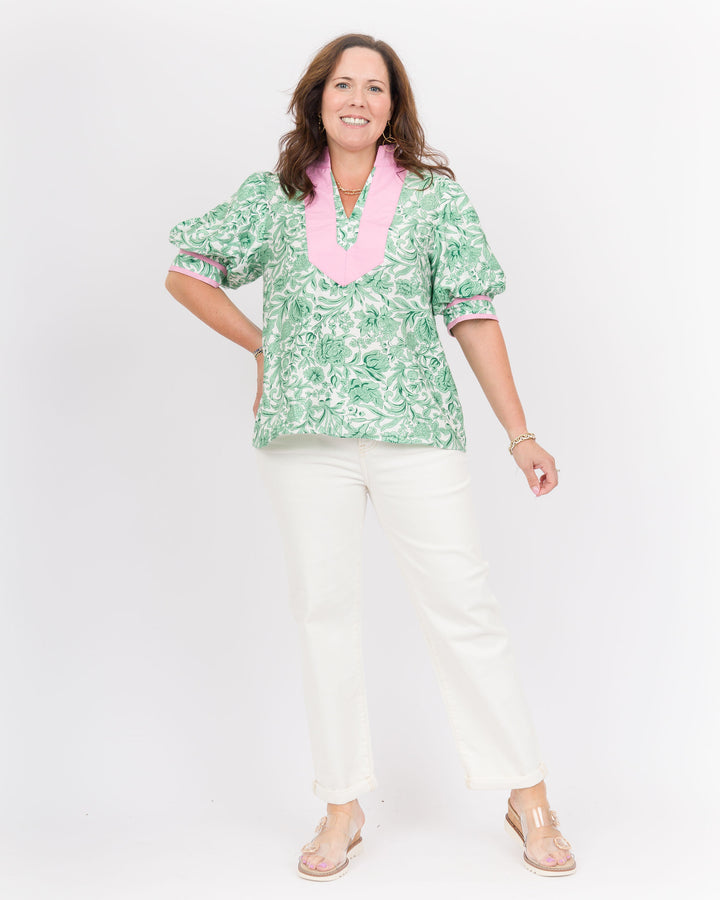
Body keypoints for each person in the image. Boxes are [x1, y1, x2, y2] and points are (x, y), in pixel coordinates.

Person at [165, 33, 576, 881]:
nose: (358, 99)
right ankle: (342, 803)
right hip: (302, 440)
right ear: (317, 99)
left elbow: (472, 315)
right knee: (324, 612)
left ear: (394, 108)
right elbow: (187, 273)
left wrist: (520, 433)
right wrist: (263, 345)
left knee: (462, 605)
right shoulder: (274, 197)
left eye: (375, 88)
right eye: (343, 85)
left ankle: (527, 793)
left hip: (414, 431)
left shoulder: (433, 199)